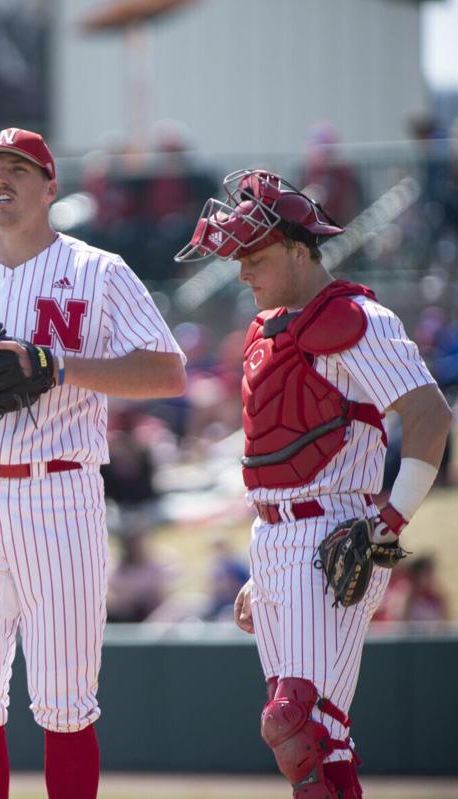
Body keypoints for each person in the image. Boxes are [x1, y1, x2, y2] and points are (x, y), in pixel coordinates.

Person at [0, 128, 187, 799]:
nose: (1, 178)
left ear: (50, 186)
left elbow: (168, 371)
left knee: (66, 698)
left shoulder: (98, 271)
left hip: (59, 490)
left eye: (18, 168)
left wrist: (56, 364)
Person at [176, 169, 452, 799]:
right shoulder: (268, 330)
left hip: (341, 528)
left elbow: (431, 417)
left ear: (300, 251)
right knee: (308, 743)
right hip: (274, 537)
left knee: (299, 722)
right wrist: (262, 571)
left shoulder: (356, 317)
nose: (243, 271)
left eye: (256, 256)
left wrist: (391, 523)